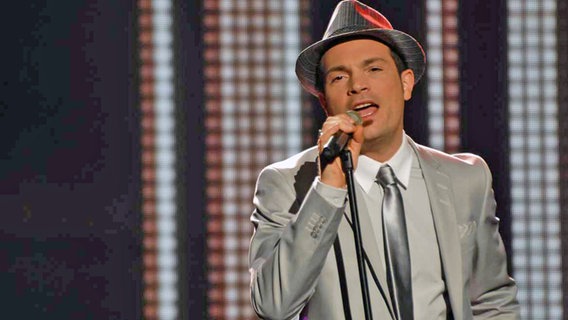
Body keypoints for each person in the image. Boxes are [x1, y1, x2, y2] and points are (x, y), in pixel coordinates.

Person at [248, 1, 519, 319]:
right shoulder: (288, 183)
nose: (357, 85)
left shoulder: (465, 178)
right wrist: (328, 190)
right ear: (324, 100)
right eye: (339, 78)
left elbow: (491, 298)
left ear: (405, 83)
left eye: (373, 69)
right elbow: (273, 306)